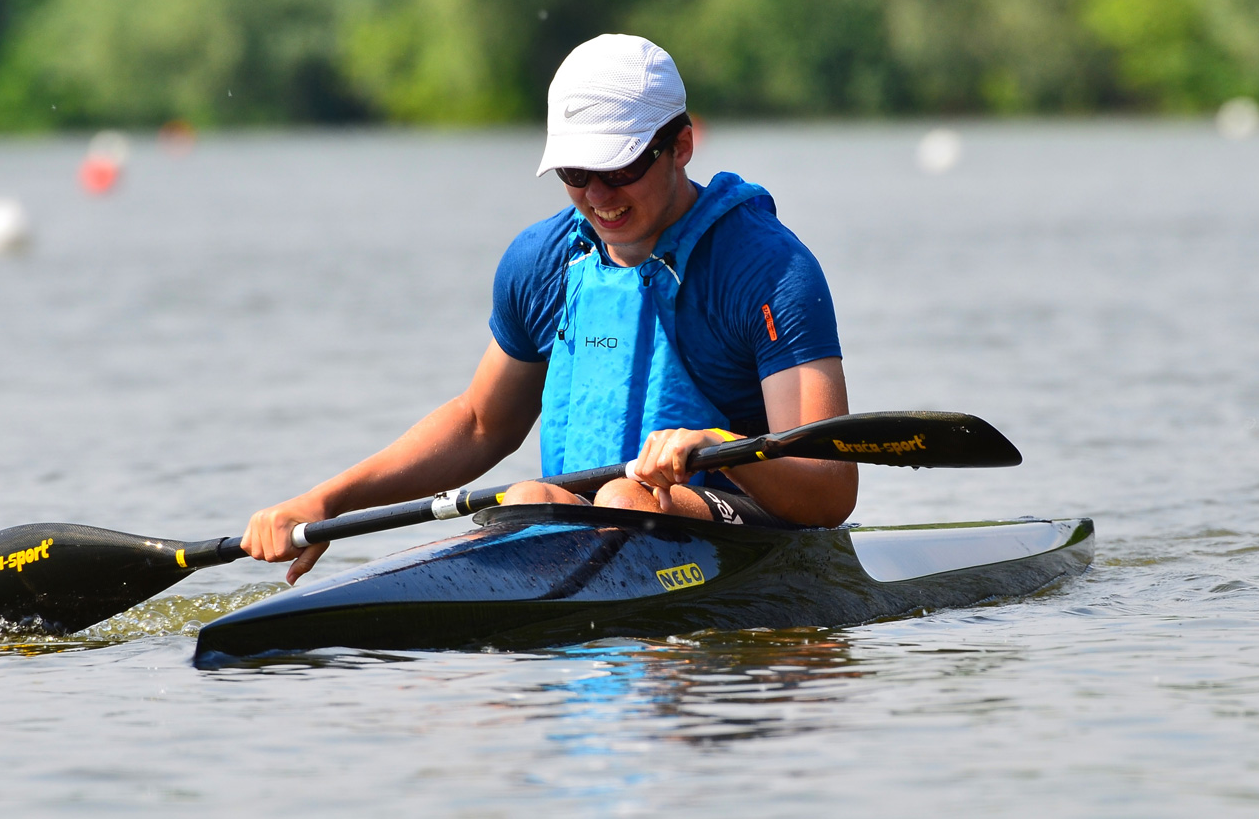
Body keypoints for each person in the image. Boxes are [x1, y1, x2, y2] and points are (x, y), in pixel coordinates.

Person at [243, 34, 857, 582]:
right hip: (598, 534)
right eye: (574, 170)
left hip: (749, 537)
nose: (596, 196)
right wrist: (326, 502)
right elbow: (482, 423)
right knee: (528, 499)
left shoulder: (768, 270)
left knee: (625, 499)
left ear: (682, 145)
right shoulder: (543, 262)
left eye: (618, 169)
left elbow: (830, 491)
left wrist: (718, 442)